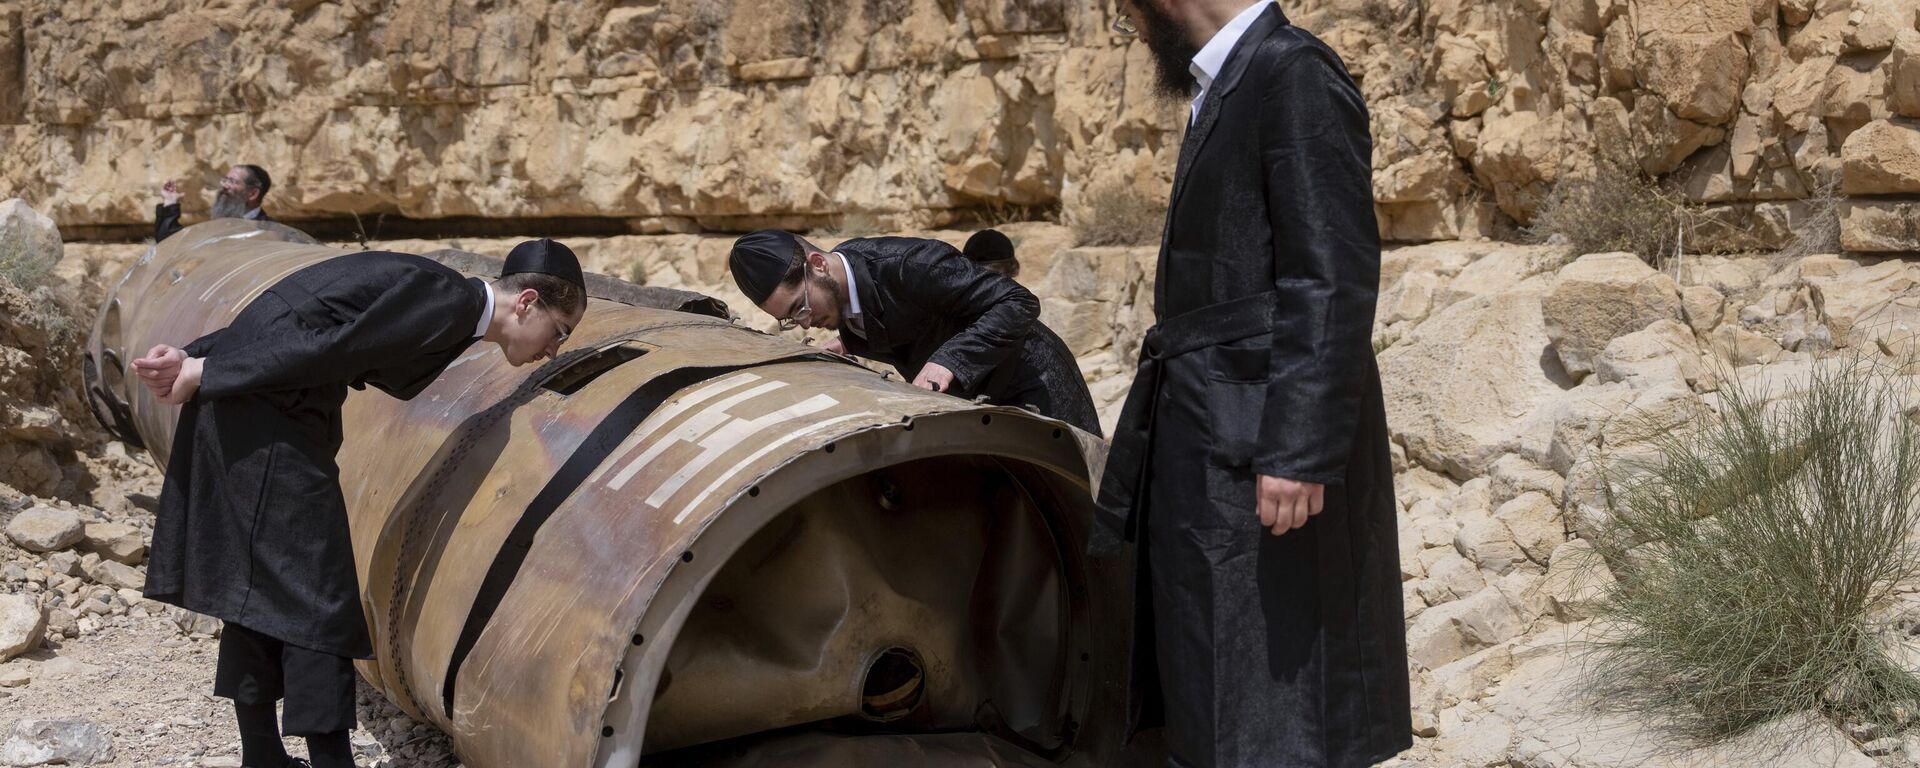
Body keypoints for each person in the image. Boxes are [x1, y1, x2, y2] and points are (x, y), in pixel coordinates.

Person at [132, 239, 588, 768]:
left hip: (256, 410)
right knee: (319, 597)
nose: (554, 349)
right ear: (527, 302)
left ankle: (261, 753)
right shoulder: (449, 301)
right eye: (560, 331)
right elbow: (331, 349)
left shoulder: (437, 291)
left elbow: (294, 308)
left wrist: (200, 356)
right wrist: (205, 370)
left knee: (262, 584)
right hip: (266, 416)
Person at [1097, 0, 1411, 766]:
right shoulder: (1229, 81)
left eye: (1124, 14)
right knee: (1212, 656)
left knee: (1275, 675)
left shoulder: (1292, 72)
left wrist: (1300, 447)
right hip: (1212, 420)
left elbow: (1330, 274)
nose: (1131, 33)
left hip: (1257, 427)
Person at [728, 229, 1101, 436]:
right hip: (976, 404)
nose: (806, 324)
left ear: (818, 264)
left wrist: (948, 360)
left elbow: (1017, 302)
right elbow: (898, 317)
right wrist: (848, 341)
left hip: (1034, 383)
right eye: (792, 320)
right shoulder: (840, 293)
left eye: (801, 308)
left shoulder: (909, 264)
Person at [156, 164, 274, 242]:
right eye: (225, 180)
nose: (224, 186)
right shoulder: (216, 227)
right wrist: (170, 202)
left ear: (252, 193)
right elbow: (171, 244)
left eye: (232, 181)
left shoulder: (271, 233)